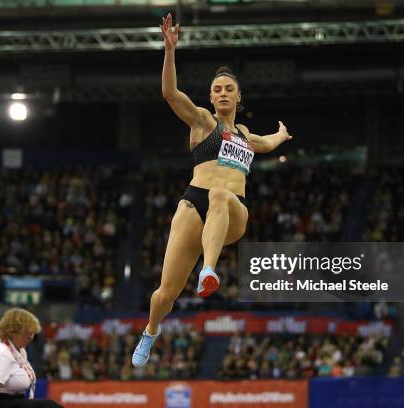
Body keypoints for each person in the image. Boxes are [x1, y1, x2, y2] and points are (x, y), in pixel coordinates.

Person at [132, 13, 292, 367]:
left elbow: (264, 143)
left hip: (233, 210)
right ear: (210, 96)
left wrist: (281, 136)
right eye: (217, 89)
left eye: (228, 89)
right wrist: (169, 51)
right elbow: (170, 93)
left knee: (221, 194)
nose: (222, 93)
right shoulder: (203, 122)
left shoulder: (246, 134)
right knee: (164, 294)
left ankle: (209, 270)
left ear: (238, 97)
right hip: (193, 204)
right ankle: (151, 331)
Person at [0, 308, 63, 408]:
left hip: (12, 401)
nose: (31, 337)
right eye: (29, 333)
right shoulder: (1, 352)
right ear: (15, 331)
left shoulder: (20, 351)